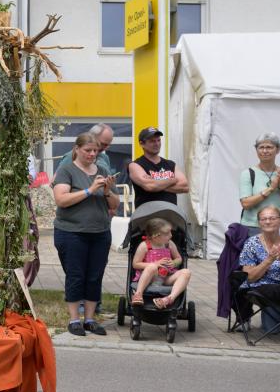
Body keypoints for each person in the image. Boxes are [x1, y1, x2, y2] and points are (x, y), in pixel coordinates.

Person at [52, 132, 118, 336]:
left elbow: (114, 205)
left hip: (100, 232)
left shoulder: (103, 169)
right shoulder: (66, 170)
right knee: (76, 275)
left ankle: (90, 319)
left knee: (94, 276)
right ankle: (74, 320)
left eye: (95, 151)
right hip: (71, 232)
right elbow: (61, 200)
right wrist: (90, 190)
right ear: (77, 149)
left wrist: (107, 191)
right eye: (88, 150)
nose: (92, 154)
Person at [238, 205, 280, 334]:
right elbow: (250, 277)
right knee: (272, 330)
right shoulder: (251, 243)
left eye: (272, 218)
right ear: (259, 223)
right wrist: (269, 260)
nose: (268, 221)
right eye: (263, 219)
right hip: (260, 287)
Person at [130, 216, 192, 308]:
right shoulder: (144, 246)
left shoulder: (169, 244)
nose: (171, 235)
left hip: (166, 277)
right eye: (167, 233)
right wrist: (155, 264)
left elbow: (179, 258)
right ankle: (138, 294)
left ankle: (169, 299)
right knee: (152, 267)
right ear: (155, 236)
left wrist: (174, 263)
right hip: (150, 277)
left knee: (186, 272)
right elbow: (135, 264)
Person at [128, 127, 189, 208]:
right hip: (146, 215)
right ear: (141, 143)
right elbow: (150, 186)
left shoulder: (171, 164)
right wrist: (172, 180)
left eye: (158, 140)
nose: (157, 144)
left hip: (171, 214)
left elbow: (185, 187)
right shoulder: (135, 165)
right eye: (152, 141)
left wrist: (157, 185)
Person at [239, 133, 280, 235]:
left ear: (277, 150)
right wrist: (270, 189)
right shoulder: (248, 173)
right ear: (256, 150)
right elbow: (245, 204)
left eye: (269, 147)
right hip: (253, 228)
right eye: (261, 147)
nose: (265, 151)